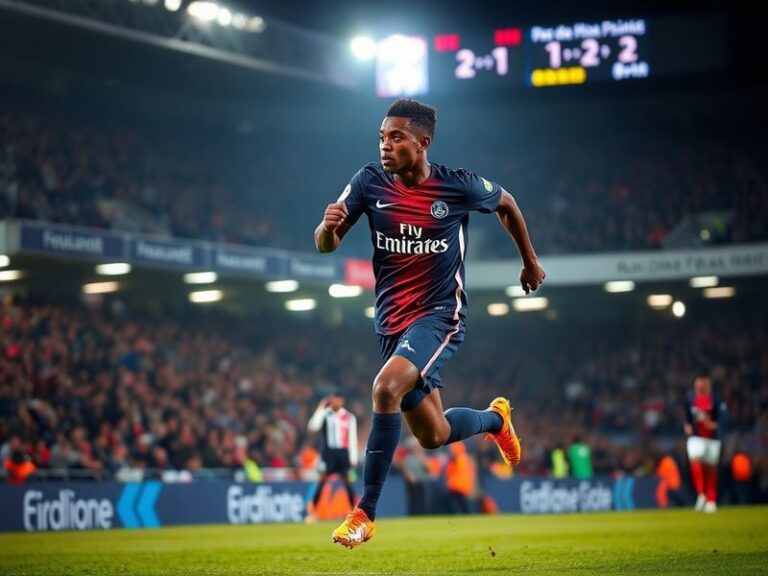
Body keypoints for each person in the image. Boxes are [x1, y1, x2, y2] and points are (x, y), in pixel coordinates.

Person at [314, 98, 545, 548]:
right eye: (382, 137)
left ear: (422, 143)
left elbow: (507, 204)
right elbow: (327, 244)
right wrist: (327, 228)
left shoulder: (456, 186)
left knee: (385, 388)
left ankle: (365, 513)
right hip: (391, 323)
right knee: (433, 435)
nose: (385, 145)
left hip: (439, 315)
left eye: (396, 137)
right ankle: (495, 421)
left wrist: (529, 262)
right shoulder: (368, 182)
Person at [306, 392, 359, 522]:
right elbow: (313, 426)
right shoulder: (325, 414)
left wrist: (353, 457)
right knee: (321, 481)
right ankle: (313, 513)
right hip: (328, 453)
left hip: (343, 453)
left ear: (342, 400)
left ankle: (354, 513)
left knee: (347, 482)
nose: (335, 402)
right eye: (333, 399)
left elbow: (352, 438)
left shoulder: (349, 417)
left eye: (338, 399)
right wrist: (320, 408)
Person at [684, 371, 727, 513]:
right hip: (696, 438)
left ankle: (711, 500)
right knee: (695, 461)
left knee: (710, 470)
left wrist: (713, 425)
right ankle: (701, 494)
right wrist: (687, 426)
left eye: (703, 381)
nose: (701, 384)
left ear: (708, 383)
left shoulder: (716, 399)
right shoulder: (691, 398)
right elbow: (688, 417)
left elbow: (724, 419)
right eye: (698, 381)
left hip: (712, 439)